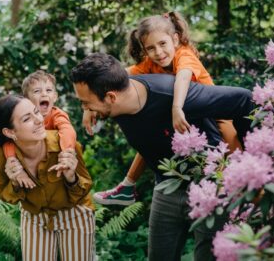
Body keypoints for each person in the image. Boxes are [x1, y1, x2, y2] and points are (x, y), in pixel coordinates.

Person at [71, 53, 254, 261]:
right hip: (166, 187)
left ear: (111, 97)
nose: (84, 108)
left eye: (85, 103)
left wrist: (251, 161)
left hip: (209, 186)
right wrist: (90, 107)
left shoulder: (171, 95)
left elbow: (243, 99)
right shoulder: (114, 100)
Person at [85, 12, 241, 206]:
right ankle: (127, 186)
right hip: (187, 117)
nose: (158, 52)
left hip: (214, 113)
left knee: (232, 149)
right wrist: (89, 105)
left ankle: (245, 189)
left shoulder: (184, 54)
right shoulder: (151, 63)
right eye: (150, 48)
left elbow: (183, 77)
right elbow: (118, 78)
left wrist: (177, 107)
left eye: (162, 44)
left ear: (174, 39)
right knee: (150, 136)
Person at [0, 95, 95, 261]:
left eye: (36, 112)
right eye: (27, 119)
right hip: (34, 218)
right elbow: (4, 194)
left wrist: (71, 177)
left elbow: (83, 191)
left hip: (75, 212)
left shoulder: (66, 145)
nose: (39, 120)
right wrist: (15, 182)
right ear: (9, 132)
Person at [1, 70, 78, 189]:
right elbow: (8, 140)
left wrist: (67, 152)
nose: (44, 94)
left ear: (55, 96)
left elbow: (67, 130)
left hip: (53, 163)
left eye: (48, 90)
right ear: (26, 99)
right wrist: (11, 159)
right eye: (37, 91)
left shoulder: (57, 115)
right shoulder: (20, 120)